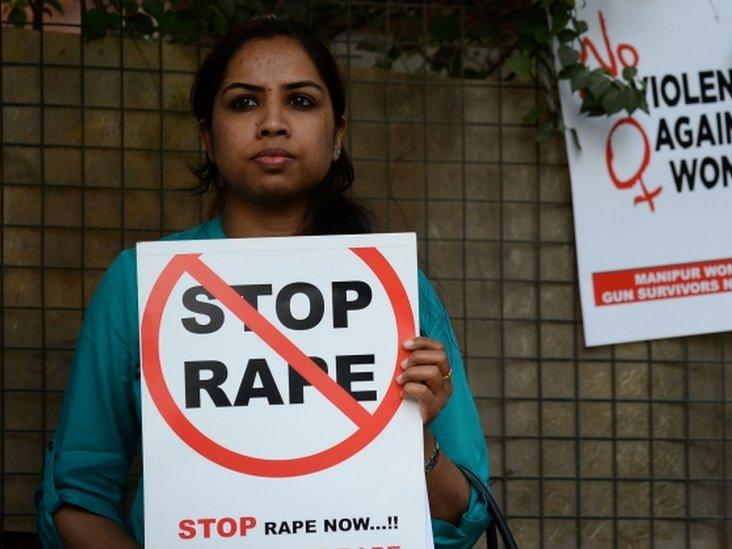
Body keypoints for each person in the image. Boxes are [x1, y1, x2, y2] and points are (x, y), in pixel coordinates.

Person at [35, 15, 491, 548]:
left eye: (300, 101)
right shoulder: (136, 283)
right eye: (244, 102)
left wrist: (414, 437)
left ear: (337, 132)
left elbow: (465, 518)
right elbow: (77, 496)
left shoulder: (396, 290)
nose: (272, 122)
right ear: (207, 134)